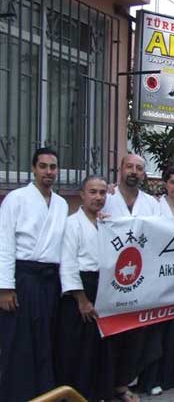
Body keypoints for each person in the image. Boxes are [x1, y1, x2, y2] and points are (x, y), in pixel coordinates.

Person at [0, 148, 68, 401]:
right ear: (33, 169)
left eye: (53, 167)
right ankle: (16, 394)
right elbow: (4, 242)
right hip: (23, 277)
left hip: (50, 278)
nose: (48, 172)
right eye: (43, 166)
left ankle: (45, 392)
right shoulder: (16, 198)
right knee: (19, 339)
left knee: (46, 337)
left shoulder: (61, 204)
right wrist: (5, 287)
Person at [101, 154, 160, 400]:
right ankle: (105, 385)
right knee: (110, 334)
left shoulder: (151, 203)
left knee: (135, 334)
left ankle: (124, 384)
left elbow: (160, 235)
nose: (133, 171)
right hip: (109, 277)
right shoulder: (106, 197)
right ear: (121, 169)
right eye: (130, 167)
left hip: (141, 278)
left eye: (139, 168)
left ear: (144, 174)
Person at [56, 175, 118, 401]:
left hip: (103, 288)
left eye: (102, 193)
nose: (98, 197)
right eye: (93, 192)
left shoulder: (106, 223)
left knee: (99, 346)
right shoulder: (72, 223)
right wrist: (82, 300)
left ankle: (98, 393)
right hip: (80, 291)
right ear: (82, 194)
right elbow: (69, 263)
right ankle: (76, 395)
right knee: (77, 348)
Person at [138, 165, 174, 395]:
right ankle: (153, 378)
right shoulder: (155, 207)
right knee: (157, 330)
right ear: (165, 184)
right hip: (159, 276)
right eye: (173, 182)